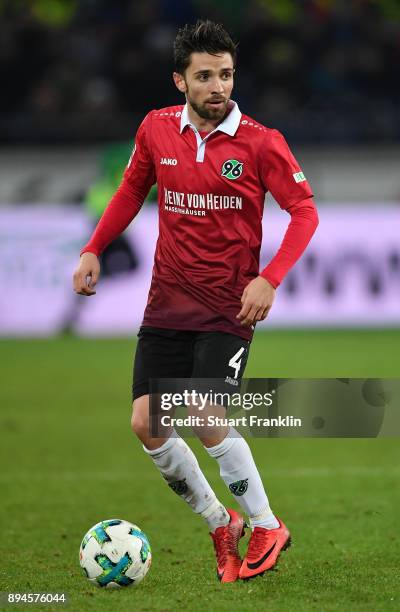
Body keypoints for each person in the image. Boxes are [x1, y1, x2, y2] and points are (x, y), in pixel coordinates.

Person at [73, 20, 319, 583]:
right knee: (145, 423)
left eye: (226, 75)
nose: (218, 86)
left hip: (228, 307)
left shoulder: (261, 142)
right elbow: (134, 188)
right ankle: (219, 521)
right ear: (179, 80)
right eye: (205, 76)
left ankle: (266, 523)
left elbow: (304, 213)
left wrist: (271, 278)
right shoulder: (156, 129)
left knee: (204, 411)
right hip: (167, 302)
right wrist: (94, 247)